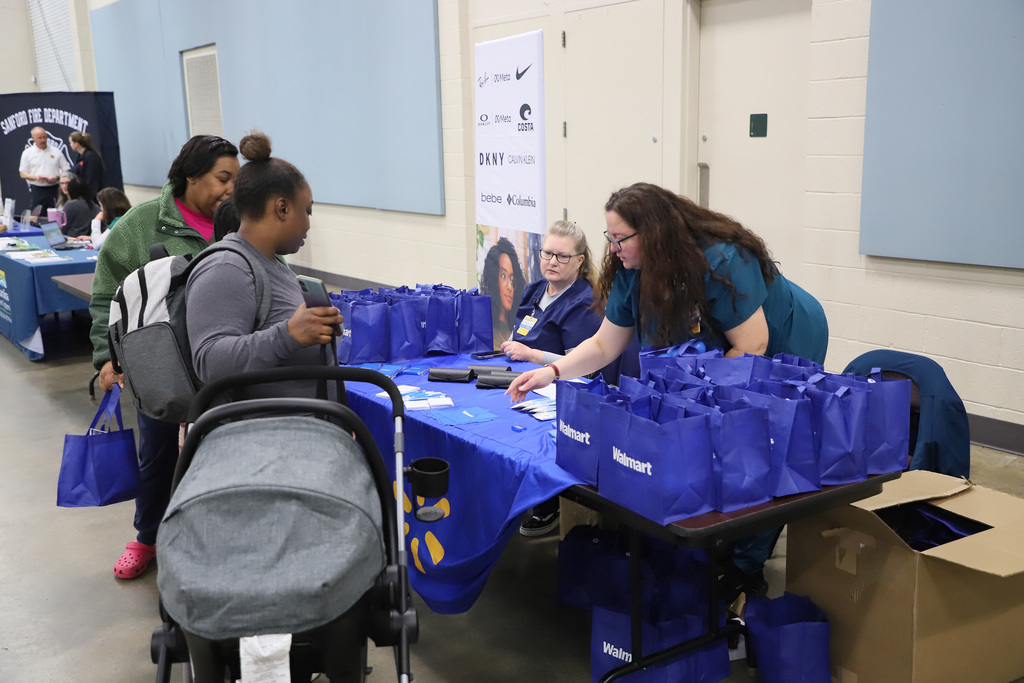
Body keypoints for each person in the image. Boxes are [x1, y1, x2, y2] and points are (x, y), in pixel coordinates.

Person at [506, 182, 829, 598]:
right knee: (702, 436)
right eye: (610, 238)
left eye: (621, 239)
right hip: (724, 344)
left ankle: (745, 565)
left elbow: (752, 345)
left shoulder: (721, 260)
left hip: (786, 332)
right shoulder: (631, 271)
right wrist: (552, 370)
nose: (614, 248)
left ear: (654, 234)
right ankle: (700, 551)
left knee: (763, 443)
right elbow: (605, 344)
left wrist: (697, 398)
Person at [89, 134, 239, 580]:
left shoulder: (238, 220)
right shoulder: (140, 224)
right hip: (158, 366)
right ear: (191, 176)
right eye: (222, 178)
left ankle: (220, 537)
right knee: (156, 454)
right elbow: (105, 296)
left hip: (222, 364)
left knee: (223, 450)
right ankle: (146, 536)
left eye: (236, 179)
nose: (231, 188)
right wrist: (106, 355)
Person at [186, 131, 342, 400]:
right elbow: (208, 362)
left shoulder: (271, 262)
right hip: (265, 435)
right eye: (307, 211)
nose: (308, 223)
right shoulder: (227, 267)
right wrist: (289, 335)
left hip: (309, 427)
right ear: (281, 208)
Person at [499, 220, 606, 536]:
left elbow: (584, 367)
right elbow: (524, 333)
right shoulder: (535, 290)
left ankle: (548, 502)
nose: (552, 262)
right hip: (521, 381)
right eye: (547, 254)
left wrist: (532, 356)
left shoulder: (584, 301)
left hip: (559, 392)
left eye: (562, 257)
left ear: (580, 261)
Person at [480, 237, 526, 346]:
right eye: (503, 276)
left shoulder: (519, 323)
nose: (510, 287)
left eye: (512, 279)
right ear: (493, 278)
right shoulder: (483, 324)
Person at [19, 127, 71, 212]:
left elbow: (66, 170)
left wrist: (57, 177)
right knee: (36, 216)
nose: (43, 140)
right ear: (33, 139)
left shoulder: (56, 152)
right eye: (40, 138)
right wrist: (36, 177)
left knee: (56, 214)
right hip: (37, 189)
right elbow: (22, 173)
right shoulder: (27, 153)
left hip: (54, 189)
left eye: (45, 137)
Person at [69, 131, 105, 202]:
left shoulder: (91, 157)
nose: (70, 145)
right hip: (81, 194)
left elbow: (91, 179)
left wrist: (88, 198)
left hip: (90, 196)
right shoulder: (79, 157)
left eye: (71, 143)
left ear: (76, 144)